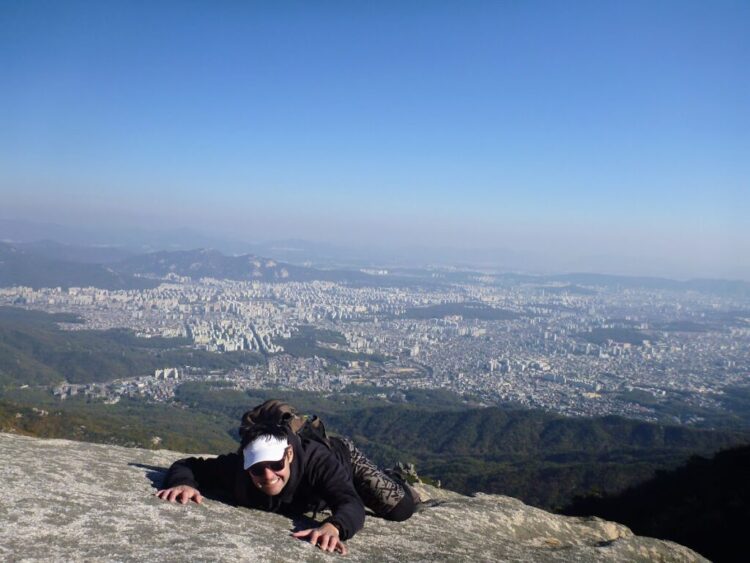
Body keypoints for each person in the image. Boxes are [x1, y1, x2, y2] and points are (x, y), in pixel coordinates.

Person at [157, 416, 416, 555]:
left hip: (344, 459)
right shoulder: (237, 470)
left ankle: (394, 476)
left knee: (400, 509)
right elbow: (189, 465)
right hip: (322, 484)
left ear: (289, 454)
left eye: (276, 464)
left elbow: (350, 503)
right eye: (258, 468)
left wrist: (335, 526)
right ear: (246, 465)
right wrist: (184, 484)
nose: (268, 475)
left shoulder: (318, 462)